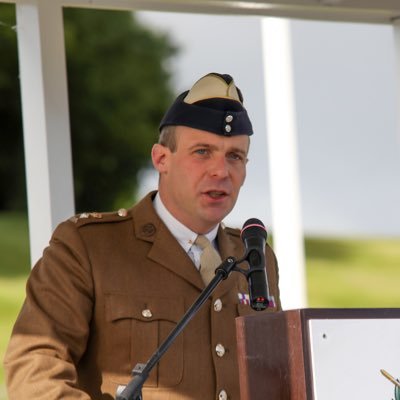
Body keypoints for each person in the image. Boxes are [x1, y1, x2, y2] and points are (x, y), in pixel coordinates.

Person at [4, 72, 281, 400]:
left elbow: (278, 376)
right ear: (161, 159)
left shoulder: (255, 256)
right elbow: (34, 368)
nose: (221, 171)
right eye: (202, 152)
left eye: (234, 156)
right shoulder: (88, 247)